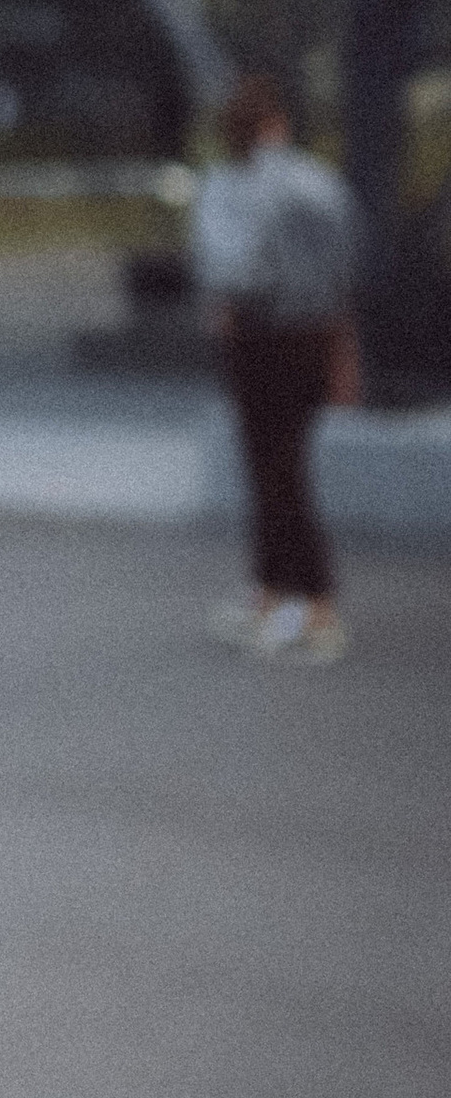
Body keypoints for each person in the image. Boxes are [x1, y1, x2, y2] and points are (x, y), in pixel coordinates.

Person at [190, 75, 362, 663]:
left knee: (273, 472)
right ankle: (277, 593)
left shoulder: (234, 186)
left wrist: (228, 301)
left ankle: (310, 605)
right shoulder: (320, 182)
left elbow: (235, 268)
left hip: (261, 336)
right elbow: (348, 260)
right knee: (283, 468)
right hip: (314, 334)